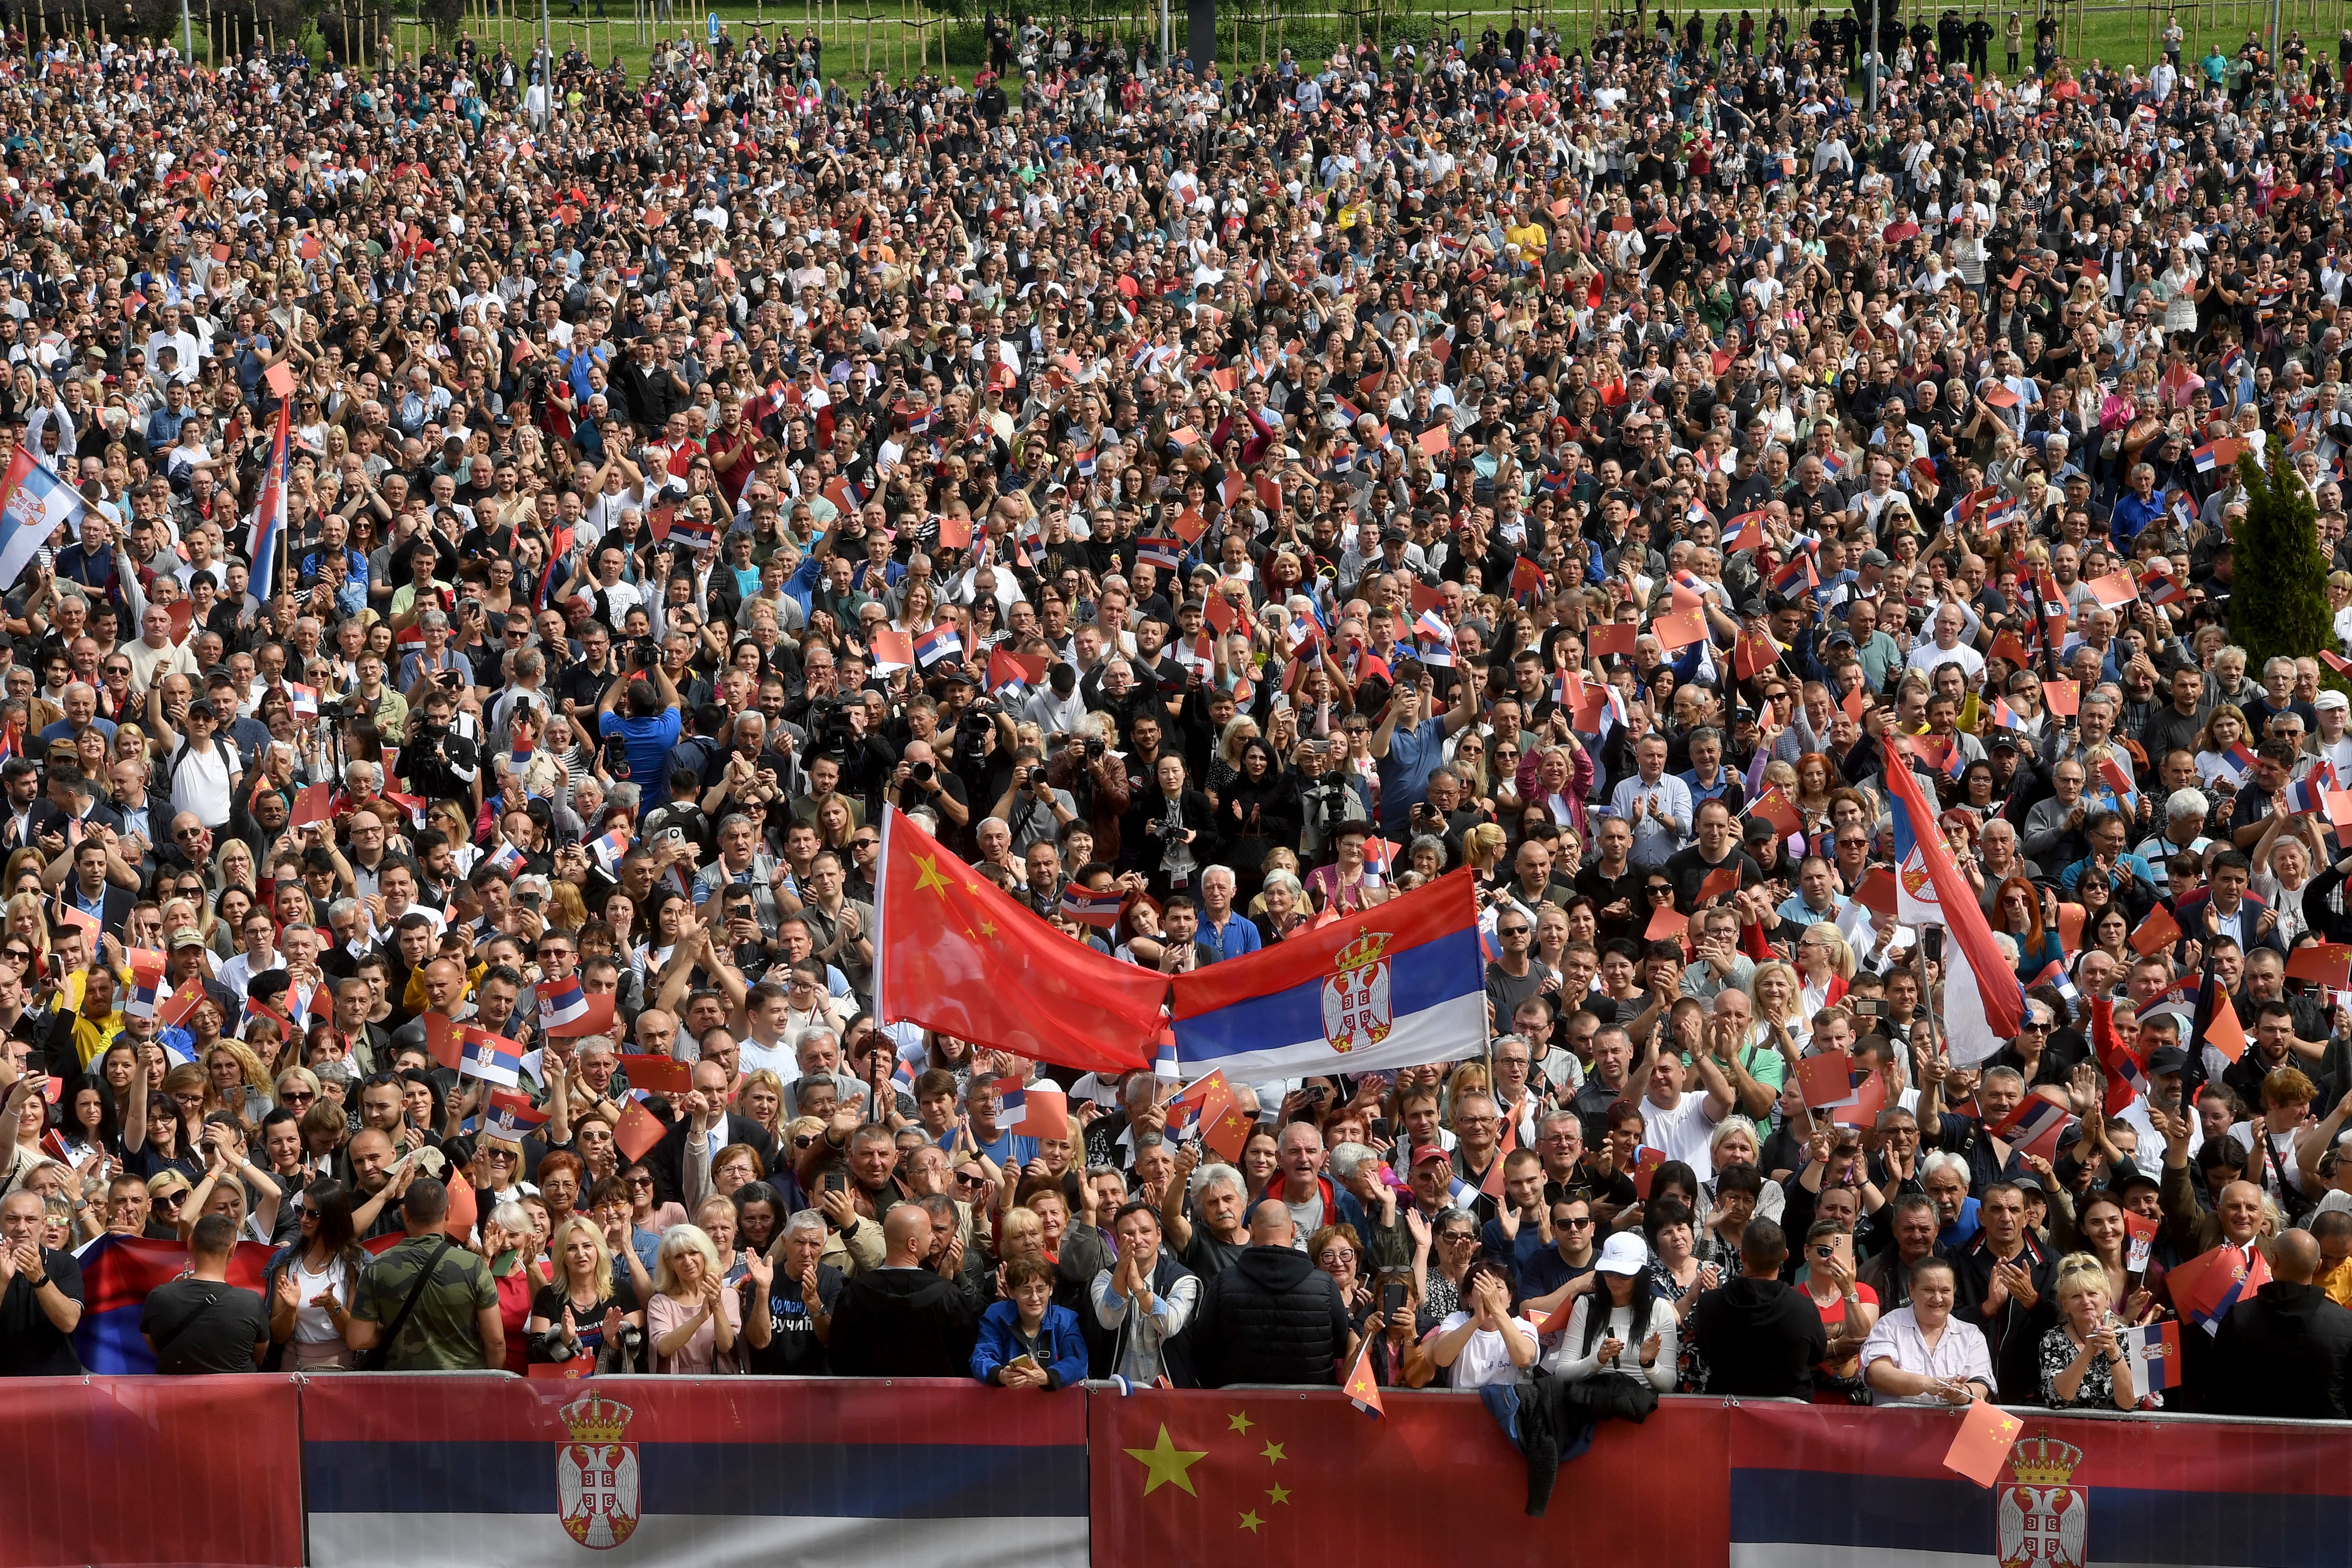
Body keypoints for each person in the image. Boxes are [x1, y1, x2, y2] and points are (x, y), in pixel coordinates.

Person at [1185, 1200, 1351, 1387]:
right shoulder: (1326, 1286)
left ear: (1252, 1231)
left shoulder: (1223, 1284)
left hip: (1240, 1410)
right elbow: (1341, 1347)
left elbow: (1203, 1349)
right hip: (1310, 1405)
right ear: (1293, 1231)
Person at [344, 1180, 502, 1371]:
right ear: (448, 1213)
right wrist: (491, 1387)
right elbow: (496, 1343)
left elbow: (358, 1339)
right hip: (464, 1387)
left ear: (405, 1215)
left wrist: (397, 1330)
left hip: (403, 1387)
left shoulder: (377, 1267)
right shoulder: (474, 1266)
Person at [2206, 1229, 2352, 1418]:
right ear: (2318, 1266)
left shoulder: (2238, 1317)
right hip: (2323, 1442)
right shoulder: (2346, 1325)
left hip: (2249, 1441)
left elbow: (2217, 1391)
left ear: (2273, 1261)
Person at [828, 1205, 978, 1377]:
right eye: (929, 1233)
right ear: (913, 1244)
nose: (932, 1238)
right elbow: (965, 1357)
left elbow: (838, 1358)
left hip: (868, 1400)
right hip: (933, 1401)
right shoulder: (948, 1296)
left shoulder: (853, 1295)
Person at [1687, 1220, 1827, 1398]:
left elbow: (1702, 1347)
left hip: (1728, 1413)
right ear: (1785, 1256)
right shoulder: (1804, 1308)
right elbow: (1817, 1356)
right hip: (1789, 1417)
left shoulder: (1709, 1303)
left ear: (1742, 1256)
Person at [140, 1212, 270, 1373]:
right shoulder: (252, 1303)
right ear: (233, 1249)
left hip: (176, 1397)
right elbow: (259, 1357)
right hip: (237, 1396)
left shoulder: (159, 1297)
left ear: (190, 1243)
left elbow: (155, 1348)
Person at [1549, 1232, 1677, 1395]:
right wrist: (1598, 1359)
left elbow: (1668, 1384)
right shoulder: (1586, 1305)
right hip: (1594, 1406)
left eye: (1624, 1275)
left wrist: (1648, 1364)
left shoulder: (1660, 1309)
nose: (1615, 1280)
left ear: (1640, 1275)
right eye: (1608, 1272)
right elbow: (1562, 1372)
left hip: (1644, 1407)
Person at [1861, 1257, 1998, 1406]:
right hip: (1897, 1427)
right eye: (1928, 1290)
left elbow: (1982, 1386)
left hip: (1954, 1427)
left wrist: (1960, 1393)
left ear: (1954, 1292)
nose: (1938, 1299)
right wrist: (1927, 1384)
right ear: (1911, 1291)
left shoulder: (1971, 1335)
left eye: (1945, 1291)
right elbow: (1877, 1374)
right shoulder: (1889, 1325)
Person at [2039, 1253, 2139, 1411]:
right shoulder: (2053, 1339)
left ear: (2107, 1299)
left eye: (2092, 1293)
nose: (2086, 1301)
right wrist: (2088, 1351)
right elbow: (2056, 1399)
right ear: (2065, 1305)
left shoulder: (2127, 1336)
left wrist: (2114, 1351)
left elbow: (2130, 1403)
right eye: (2076, 1296)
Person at [972, 1255, 1089, 1389]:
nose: (1034, 1298)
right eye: (1026, 1290)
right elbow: (980, 1357)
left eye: (1041, 1290)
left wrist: (1047, 1377)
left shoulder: (1066, 1320)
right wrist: (1001, 1375)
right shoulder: (995, 1316)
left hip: (1054, 1405)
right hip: (1007, 1402)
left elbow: (1078, 1362)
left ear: (1050, 1289)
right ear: (1011, 1292)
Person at [0, 1186, 82, 1374]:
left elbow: (69, 1322)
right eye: (12, 1219)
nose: (21, 1228)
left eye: (31, 1220)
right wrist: (2, 1282)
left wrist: (39, 1278)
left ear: (44, 1224)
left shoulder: (65, 1263)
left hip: (54, 1386)